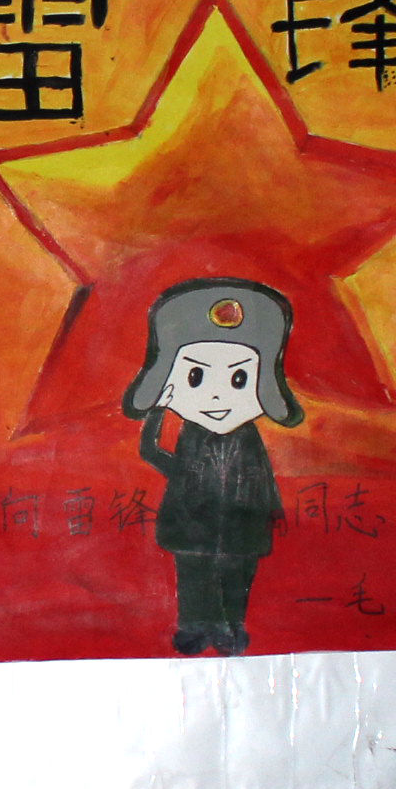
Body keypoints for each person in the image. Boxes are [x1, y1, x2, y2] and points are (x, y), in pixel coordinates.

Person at [122, 279, 299, 655]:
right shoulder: (191, 434)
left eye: (239, 378)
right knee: (193, 576)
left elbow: (261, 476)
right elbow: (151, 452)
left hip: (243, 523)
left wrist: (270, 513)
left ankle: (231, 628)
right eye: (196, 376)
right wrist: (156, 413)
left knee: (237, 577)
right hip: (192, 523)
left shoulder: (247, 437)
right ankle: (195, 628)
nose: (217, 395)